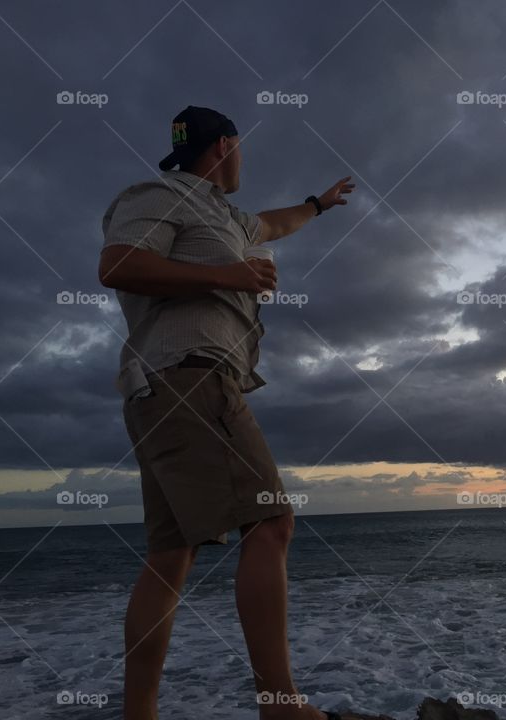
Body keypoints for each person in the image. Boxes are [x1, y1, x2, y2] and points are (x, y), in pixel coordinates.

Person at [99, 105, 356, 720]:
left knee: (170, 555)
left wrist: (318, 205)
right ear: (225, 146)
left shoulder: (229, 217)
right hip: (190, 378)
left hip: (165, 391)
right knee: (271, 524)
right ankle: (280, 704)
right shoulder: (158, 194)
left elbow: (274, 223)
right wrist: (226, 275)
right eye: (241, 148)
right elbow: (118, 264)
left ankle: (140, 715)